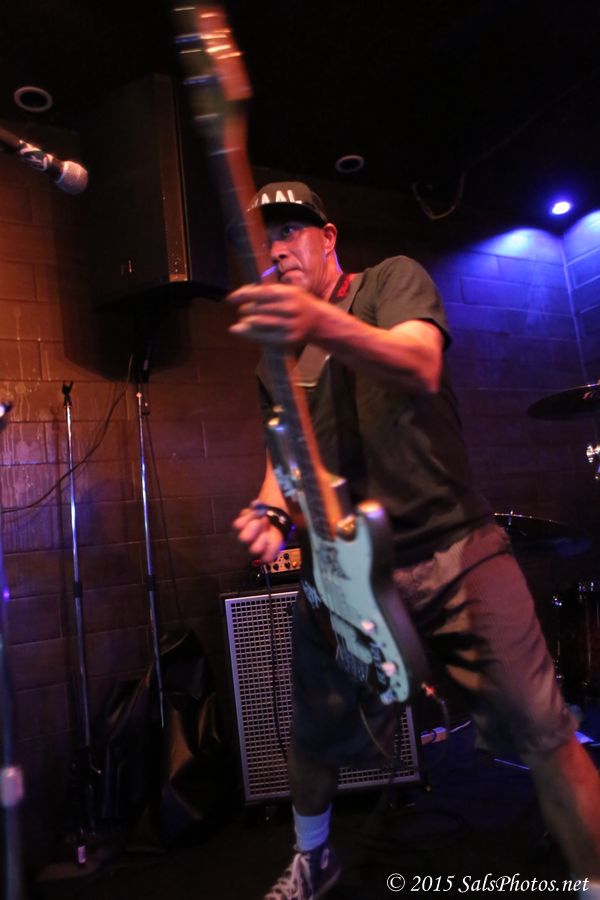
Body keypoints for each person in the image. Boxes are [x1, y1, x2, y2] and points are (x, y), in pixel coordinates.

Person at [229, 181, 600, 900]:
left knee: (545, 732)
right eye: (267, 238)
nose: (278, 247)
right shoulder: (276, 360)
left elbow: (419, 360)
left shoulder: (389, 281)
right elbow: (285, 460)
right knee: (312, 738)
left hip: (453, 548)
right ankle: (312, 858)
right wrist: (269, 512)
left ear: (328, 237)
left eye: (292, 230)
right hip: (343, 574)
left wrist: (321, 321)